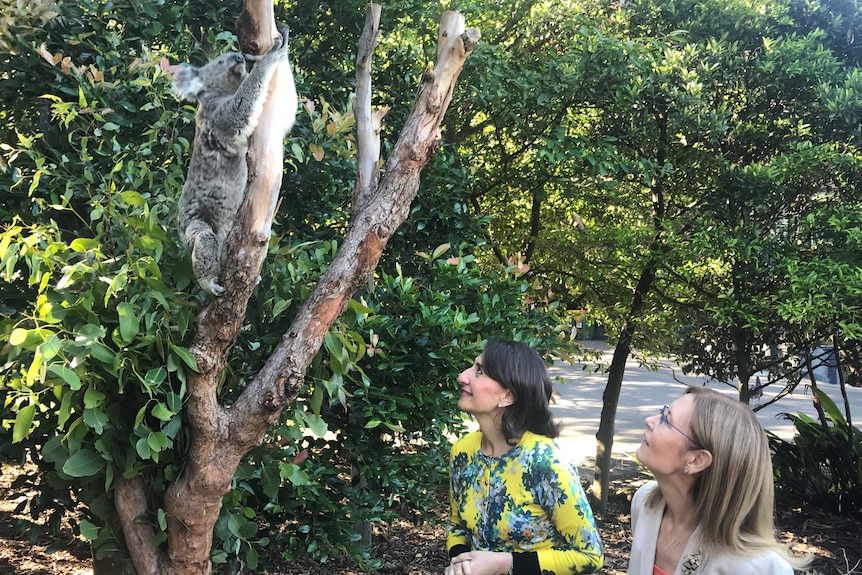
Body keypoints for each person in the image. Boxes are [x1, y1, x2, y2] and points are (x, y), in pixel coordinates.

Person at [445, 339, 604, 575]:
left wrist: (504, 563)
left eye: (479, 371)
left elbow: (590, 556)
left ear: (508, 396)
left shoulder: (546, 462)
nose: (462, 376)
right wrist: (462, 563)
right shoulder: (463, 451)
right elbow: (457, 524)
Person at [628, 386, 810, 575]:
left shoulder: (756, 568)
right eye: (662, 413)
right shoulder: (645, 503)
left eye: (666, 420)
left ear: (697, 460)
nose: (649, 421)